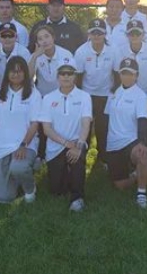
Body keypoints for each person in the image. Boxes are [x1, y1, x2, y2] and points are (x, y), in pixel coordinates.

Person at [0, 56, 41, 204]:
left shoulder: (34, 94)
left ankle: (30, 189)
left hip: (24, 146)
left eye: (20, 71)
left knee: (18, 168)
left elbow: (34, 124)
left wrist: (23, 145)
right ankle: (16, 182)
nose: (16, 74)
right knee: (4, 198)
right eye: (13, 71)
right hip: (1, 148)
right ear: (7, 73)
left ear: (25, 73)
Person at [39, 62, 92, 212]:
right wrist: (66, 143)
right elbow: (46, 129)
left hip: (77, 143)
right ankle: (66, 178)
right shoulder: (48, 98)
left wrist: (79, 145)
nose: (66, 76)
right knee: (57, 190)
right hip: (56, 146)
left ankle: (77, 198)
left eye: (70, 73)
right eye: (63, 74)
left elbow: (86, 123)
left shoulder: (84, 96)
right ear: (58, 77)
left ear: (75, 77)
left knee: (77, 160)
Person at [104, 57, 147, 208]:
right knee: (120, 185)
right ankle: (137, 174)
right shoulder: (113, 93)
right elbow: (106, 119)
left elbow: (143, 120)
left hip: (131, 140)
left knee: (142, 155)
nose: (127, 76)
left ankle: (141, 193)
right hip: (113, 144)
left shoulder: (140, 95)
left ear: (136, 75)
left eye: (131, 73)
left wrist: (142, 142)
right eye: (124, 73)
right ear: (119, 74)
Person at [75, 19, 117, 163]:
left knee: (103, 128)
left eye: (100, 33)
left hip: (106, 94)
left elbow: (117, 74)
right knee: (85, 125)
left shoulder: (113, 50)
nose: (97, 35)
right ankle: (81, 155)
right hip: (87, 94)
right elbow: (78, 77)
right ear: (89, 34)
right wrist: (80, 97)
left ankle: (102, 158)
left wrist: (113, 93)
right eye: (94, 32)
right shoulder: (81, 51)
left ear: (105, 34)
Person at [112, 20, 147, 99]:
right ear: (126, 35)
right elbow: (117, 75)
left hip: (146, 94)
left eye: (138, 33)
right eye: (131, 34)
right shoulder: (120, 51)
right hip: (125, 95)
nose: (135, 36)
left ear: (143, 34)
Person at [0, 22, 32, 90]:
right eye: (4, 36)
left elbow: (28, 76)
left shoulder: (24, 52)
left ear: (16, 37)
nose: (7, 39)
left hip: (20, 89)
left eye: (11, 35)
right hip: (0, 89)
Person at [29, 25, 75, 97]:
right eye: (40, 39)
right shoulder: (34, 56)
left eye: (47, 36)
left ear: (53, 37)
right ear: (37, 43)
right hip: (41, 96)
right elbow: (28, 77)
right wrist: (34, 57)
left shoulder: (66, 54)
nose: (44, 41)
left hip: (61, 96)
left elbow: (72, 78)